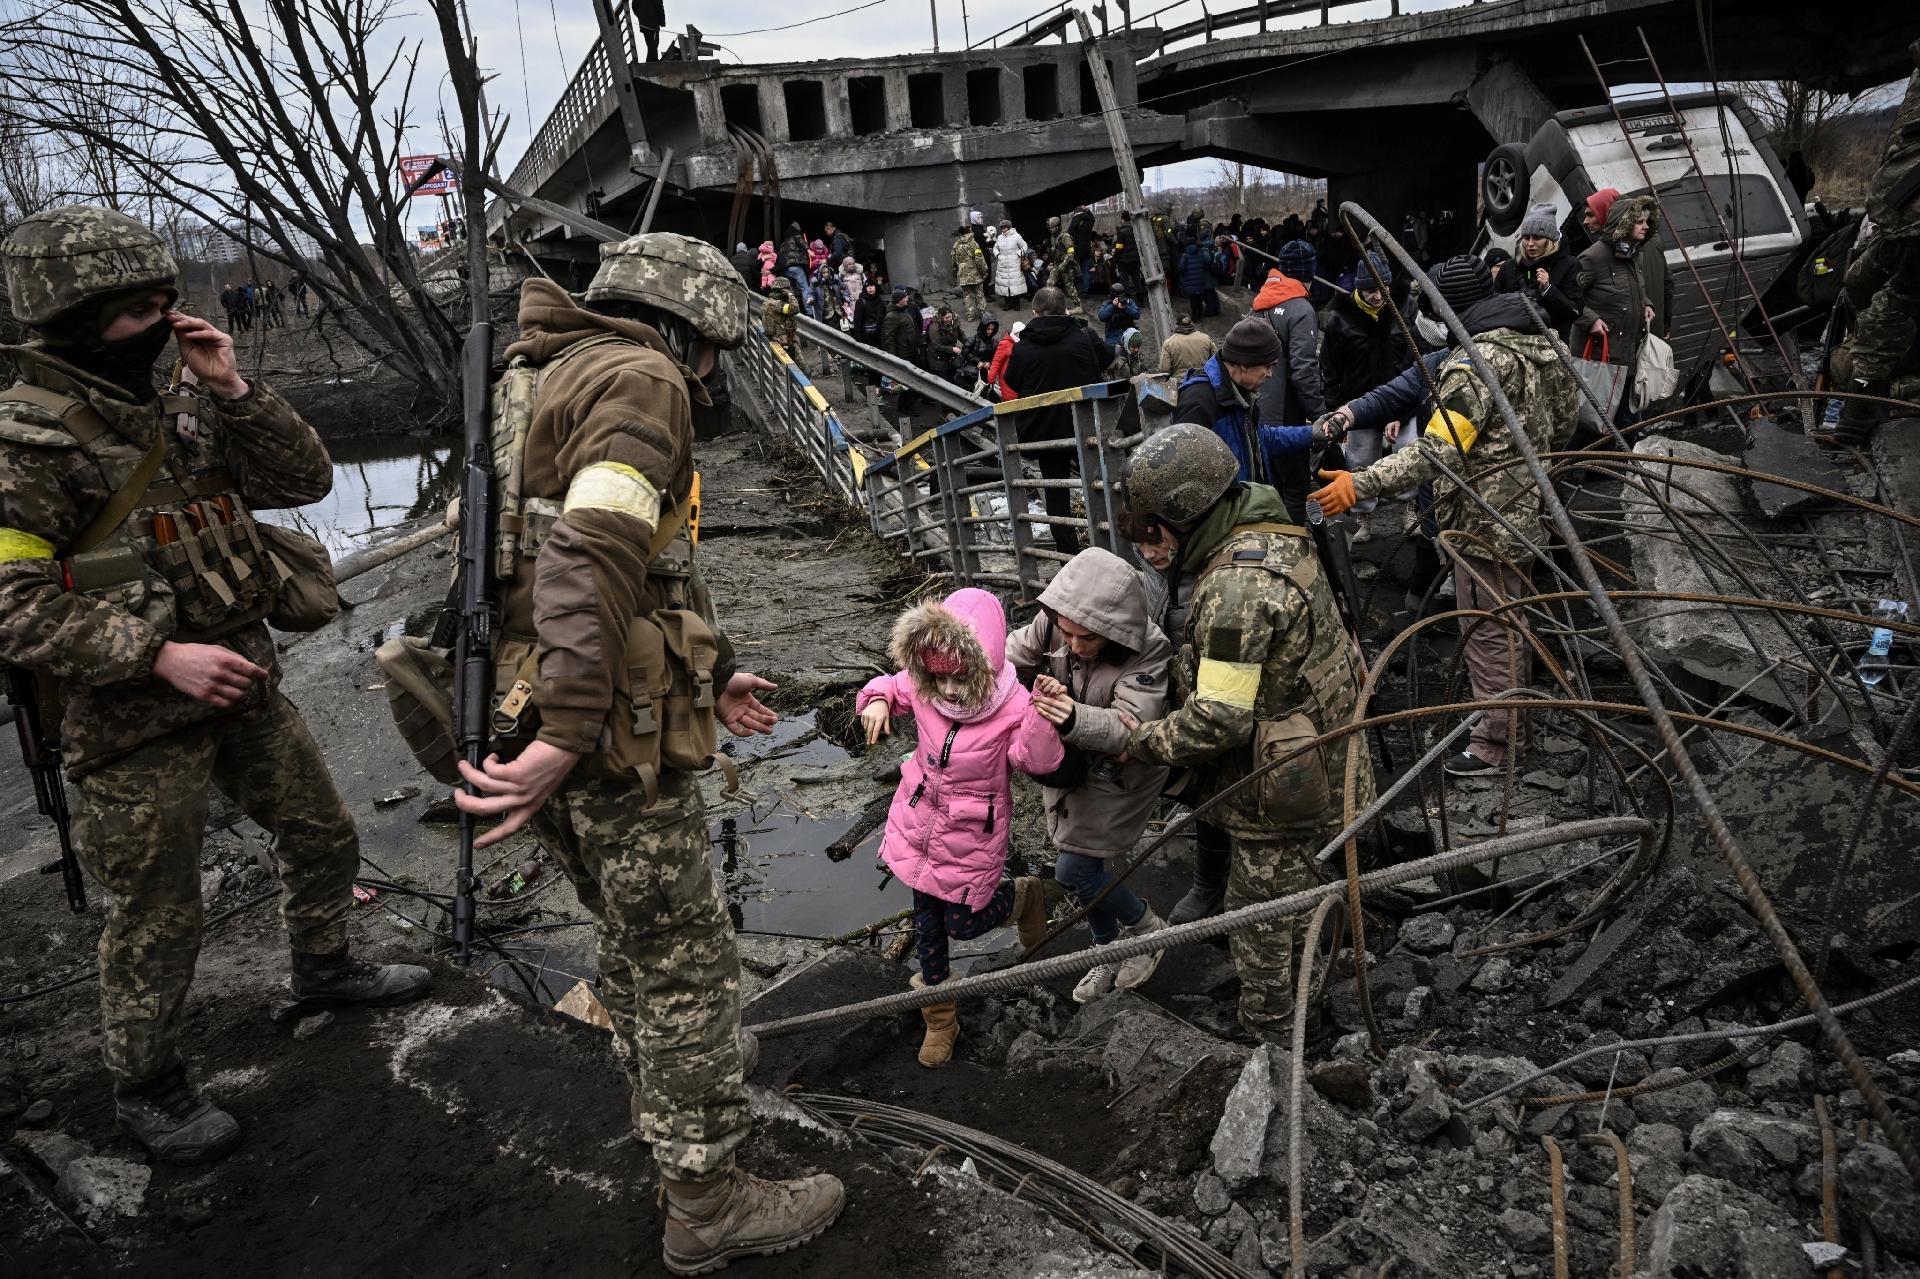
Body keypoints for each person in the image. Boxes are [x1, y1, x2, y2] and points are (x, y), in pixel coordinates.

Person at [0, 206, 433, 1164]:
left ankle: (323, 968)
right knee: (158, 908)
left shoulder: (182, 408)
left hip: (242, 681)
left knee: (323, 831)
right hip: (131, 719)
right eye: (135, 311)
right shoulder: (26, 446)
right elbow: (13, 601)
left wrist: (232, 385)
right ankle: (147, 1086)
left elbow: (307, 478)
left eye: (166, 303)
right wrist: (155, 654)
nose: (158, 323)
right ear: (71, 320)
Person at [449, 234, 845, 1271]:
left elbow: (585, 563)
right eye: (715, 351)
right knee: (686, 959)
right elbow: (592, 554)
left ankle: (661, 1093)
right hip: (598, 723)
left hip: (535, 696)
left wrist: (715, 673)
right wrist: (577, 727)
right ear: (693, 330)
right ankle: (708, 1197)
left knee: (628, 930)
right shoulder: (643, 378)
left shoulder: (535, 376)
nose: (710, 378)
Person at [1123, 425, 1373, 1043]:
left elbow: (1221, 720)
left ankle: (1276, 1034)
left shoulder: (1236, 588)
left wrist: (1137, 742)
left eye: (1147, 530)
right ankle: (1309, 983)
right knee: (1308, 888)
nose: (1143, 548)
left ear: (1187, 516)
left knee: (1257, 911)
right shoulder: (1275, 531)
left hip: (1287, 785)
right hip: (1331, 757)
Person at [1310, 254, 1579, 776]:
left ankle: (1496, 747)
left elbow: (1438, 452)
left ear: (1447, 306)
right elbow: (1567, 422)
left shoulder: (1474, 366)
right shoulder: (1541, 344)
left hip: (1482, 521)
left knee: (1486, 629)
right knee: (1511, 620)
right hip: (1527, 511)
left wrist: (1358, 483)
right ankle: (1514, 723)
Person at [856, 588, 1062, 1064]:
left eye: (959, 678)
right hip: (917, 824)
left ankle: (1023, 897)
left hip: (972, 836)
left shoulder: (1013, 706)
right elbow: (891, 684)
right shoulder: (926, 683)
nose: (947, 690)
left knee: (963, 923)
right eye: (937, 677)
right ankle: (940, 1018)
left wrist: (1043, 717)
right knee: (928, 927)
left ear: (983, 661)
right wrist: (878, 699)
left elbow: (1039, 761)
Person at [1005, 548, 1172, 1003]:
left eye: (1087, 639)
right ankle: (1108, 947)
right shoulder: (1056, 622)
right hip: (1067, 763)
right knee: (1083, 865)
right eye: (1067, 633)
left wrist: (1070, 714)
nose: (1073, 646)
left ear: (1114, 630)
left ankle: (1147, 930)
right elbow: (1007, 655)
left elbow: (1131, 726)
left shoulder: (1150, 650)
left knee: (1074, 867)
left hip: (1122, 774)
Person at [1831, 40, 1920, 447]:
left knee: (1893, 297)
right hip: (1902, 216)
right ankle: (1862, 405)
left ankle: (1860, 407)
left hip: (1900, 215)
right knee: (1892, 295)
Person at [1003, 287, 1108, 555]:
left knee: (1056, 494)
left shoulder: (1023, 348)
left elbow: (1012, 381)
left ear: (1034, 312)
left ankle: (1068, 556)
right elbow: (1107, 359)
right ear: (1065, 310)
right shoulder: (1085, 336)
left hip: (1045, 432)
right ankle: (1109, 547)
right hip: (1086, 426)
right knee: (1100, 483)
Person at [1319, 250, 1417, 533]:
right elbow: (1329, 369)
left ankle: (1408, 507)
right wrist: (1338, 413)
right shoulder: (1339, 319)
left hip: (1402, 399)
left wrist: (1403, 410)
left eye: (1382, 289)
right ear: (1359, 289)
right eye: (1370, 290)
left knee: (1408, 454)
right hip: (1358, 403)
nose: (1378, 296)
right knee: (1360, 460)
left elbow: (1415, 360)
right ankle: (1363, 516)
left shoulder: (1404, 310)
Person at [1175, 316, 1336, 486]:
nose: (1270, 374)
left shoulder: (1239, 391)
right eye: (1267, 366)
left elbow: (1261, 439)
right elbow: (1186, 475)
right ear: (1244, 364)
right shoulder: (1199, 401)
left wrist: (1311, 433)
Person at [1573, 194, 1670, 430]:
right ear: (1624, 223)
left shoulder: (1634, 255)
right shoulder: (1593, 257)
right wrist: (1591, 320)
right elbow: (1569, 298)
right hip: (1601, 363)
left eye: (1648, 221)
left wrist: (1646, 303)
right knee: (1593, 428)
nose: (1646, 227)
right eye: (1640, 221)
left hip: (1628, 360)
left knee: (1626, 426)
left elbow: (1636, 290)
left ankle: (1616, 466)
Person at [1252, 241, 1328, 521]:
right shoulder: (1301, 309)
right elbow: (1303, 370)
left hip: (1258, 412)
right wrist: (1320, 416)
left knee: (1269, 488)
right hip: (1286, 417)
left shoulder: (1259, 304)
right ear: (1309, 272)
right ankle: (1295, 548)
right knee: (1296, 489)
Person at [1498, 204, 1584, 337]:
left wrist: (1548, 290)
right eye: (1526, 238)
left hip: (1552, 345)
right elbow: (1495, 303)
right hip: (1512, 341)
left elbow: (1574, 312)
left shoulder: (1570, 265)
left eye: (1537, 238)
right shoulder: (1509, 267)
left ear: (1550, 240)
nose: (1530, 244)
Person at [1157, 313, 1216, 378]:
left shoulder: (1169, 342)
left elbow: (1164, 369)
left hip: (1180, 381)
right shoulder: (1205, 338)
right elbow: (1215, 359)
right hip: (1202, 378)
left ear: (1177, 325)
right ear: (1191, 323)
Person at [952, 223, 988, 324]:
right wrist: (984, 271)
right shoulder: (974, 243)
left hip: (963, 274)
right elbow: (979, 259)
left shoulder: (956, 244)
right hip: (975, 273)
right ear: (969, 231)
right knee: (979, 294)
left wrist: (955, 272)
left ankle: (970, 315)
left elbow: (953, 260)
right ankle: (983, 314)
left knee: (967, 295)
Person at [925, 305, 967, 387]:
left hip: (949, 358)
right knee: (944, 383)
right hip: (937, 360)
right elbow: (936, 345)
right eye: (946, 318)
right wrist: (952, 349)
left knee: (952, 378)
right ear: (941, 317)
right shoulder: (934, 327)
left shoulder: (954, 323)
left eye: (950, 317)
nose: (949, 319)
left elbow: (961, 335)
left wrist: (969, 343)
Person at [1175, 235, 1214, 323]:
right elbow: (1205, 262)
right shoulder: (1200, 252)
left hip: (1189, 282)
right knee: (1199, 298)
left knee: (1192, 300)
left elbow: (1180, 267)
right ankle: (1200, 315)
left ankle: (1195, 317)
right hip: (1200, 280)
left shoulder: (1185, 255)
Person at [992, 220, 1029, 306]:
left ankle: (1017, 304)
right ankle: (1007, 304)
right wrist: (998, 255)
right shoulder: (999, 237)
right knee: (1004, 285)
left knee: (1015, 284)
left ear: (1008, 227)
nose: (1003, 229)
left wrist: (1018, 254)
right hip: (1003, 264)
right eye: (1001, 227)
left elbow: (1024, 246)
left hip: (1014, 263)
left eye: (1004, 227)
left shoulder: (1016, 236)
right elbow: (995, 248)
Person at [762, 276, 801, 352]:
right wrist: (790, 294)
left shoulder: (768, 302)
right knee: (799, 363)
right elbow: (795, 309)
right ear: (783, 291)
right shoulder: (777, 304)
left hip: (777, 339)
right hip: (784, 341)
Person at [986, 320, 1023, 400]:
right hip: (1006, 377)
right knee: (1010, 398)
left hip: (1016, 375)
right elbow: (997, 361)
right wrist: (991, 378)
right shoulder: (1005, 343)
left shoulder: (1021, 343)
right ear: (1017, 333)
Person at [778, 222, 811, 309]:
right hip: (796, 266)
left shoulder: (784, 243)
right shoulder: (796, 234)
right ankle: (810, 312)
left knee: (792, 291)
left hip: (787, 269)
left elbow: (781, 257)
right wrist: (809, 250)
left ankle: (793, 310)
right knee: (805, 288)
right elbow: (801, 241)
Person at [852, 278, 888, 349]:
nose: (870, 288)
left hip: (879, 336)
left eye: (872, 286)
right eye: (868, 286)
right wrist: (859, 341)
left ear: (876, 287)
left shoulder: (881, 301)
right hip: (866, 338)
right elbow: (857, 322)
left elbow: (885, 318)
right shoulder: (861, 302)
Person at [965, 318, 1000, 386]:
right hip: (971, 372)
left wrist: (989, 363)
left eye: (992, 329)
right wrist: (977, 361)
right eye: (988, 329)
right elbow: (965, 352)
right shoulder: (973, 339)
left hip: (985, 372)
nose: (990, 331)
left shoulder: (995, 342)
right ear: (983, 328)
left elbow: (997, 357)